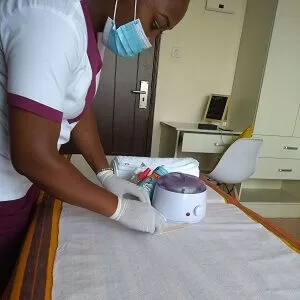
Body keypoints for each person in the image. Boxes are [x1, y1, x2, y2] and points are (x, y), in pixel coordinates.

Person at [0, 0, 190, 294]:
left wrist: (105, 174)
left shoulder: (91, 27)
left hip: (21, 185)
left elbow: (77, 106)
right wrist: (120, 209)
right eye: (156, 24)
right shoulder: (52, 18)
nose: (150, 42)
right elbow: (32, 155)